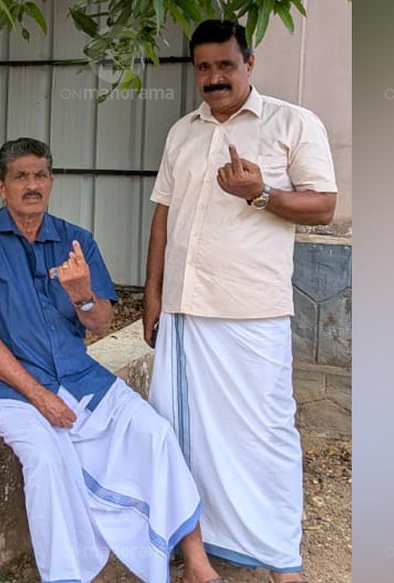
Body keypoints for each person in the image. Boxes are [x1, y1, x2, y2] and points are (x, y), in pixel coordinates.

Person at [0, 137, 228, 583]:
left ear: (52, 182)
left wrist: (81, 295)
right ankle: (66, 576)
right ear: (0, 187)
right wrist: (39, 396)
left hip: (80, 378)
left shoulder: (76, 240)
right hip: (12, 389)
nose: (32, 185)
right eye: (20, 176)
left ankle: (195, 561)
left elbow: (101, 323)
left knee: (154, 432)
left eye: (40, 175)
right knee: (45, 460)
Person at [143, 19, 338, 583]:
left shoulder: (292, 123)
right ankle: (198, 556)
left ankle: (282, 561)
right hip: (184, 311)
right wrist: (153, 294)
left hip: (252, 311)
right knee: (181, 437)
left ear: (249, 64)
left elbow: (324, 206)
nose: (213, 77)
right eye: (203, 67)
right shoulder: (182, 132)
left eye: (225, 65)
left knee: (267, 436)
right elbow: (163, 216)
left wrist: (261, 192)